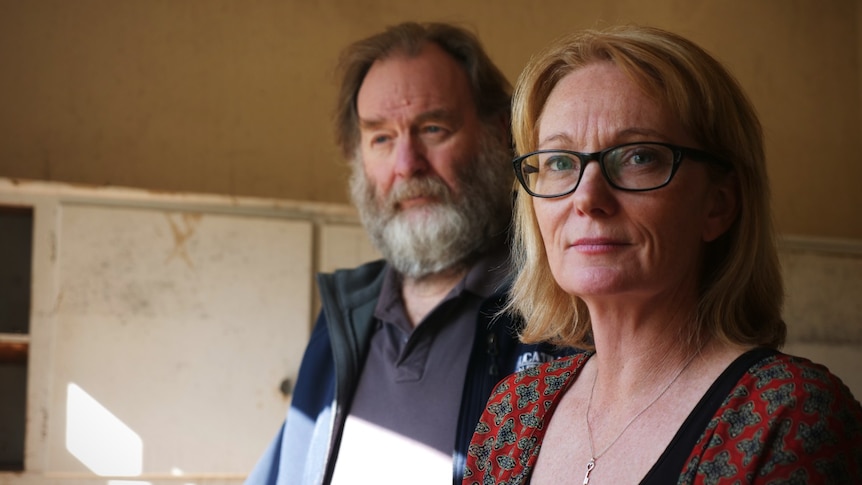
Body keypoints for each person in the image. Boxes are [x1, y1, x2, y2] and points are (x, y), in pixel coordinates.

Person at [463, 24, 862, 484]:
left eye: (637, 157)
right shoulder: (515, 409)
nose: (588, 198)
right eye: (559, 162)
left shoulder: (791, 417)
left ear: (718, 204)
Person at [245, 22, 576, 485]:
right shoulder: (344, 316)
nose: (407, 165)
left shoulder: (561, 311)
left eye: (433, 128)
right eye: (381, 138)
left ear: (500, 134)